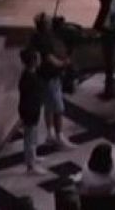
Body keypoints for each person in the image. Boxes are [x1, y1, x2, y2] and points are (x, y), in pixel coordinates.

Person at [30, 13, 71, 147]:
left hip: (44, 76)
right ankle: (59, 136)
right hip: (49, 77)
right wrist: (63, 63)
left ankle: (50, 134)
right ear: (45, 25)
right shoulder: (43, 39)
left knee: (48, 106)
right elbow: (49, 58)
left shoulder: (35, 36)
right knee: (58, 108)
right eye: (48, 21)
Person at [16, 48, 44, 173]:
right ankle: (30, 165)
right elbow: (28, 98)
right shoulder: (28, 78)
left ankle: (33, 158)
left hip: (33, 109)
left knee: (33, 137)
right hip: (29, 111)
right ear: (33, 61)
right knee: (30, 139)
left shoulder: (31, 74)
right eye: (38, 58)